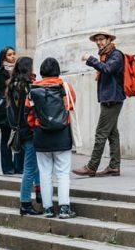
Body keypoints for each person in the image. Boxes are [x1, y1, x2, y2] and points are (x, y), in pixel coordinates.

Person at [26, 57, 77, 219]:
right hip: (62, 134)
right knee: (62, 173)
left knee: (44, 173)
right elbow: (70, 106)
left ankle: (48, 208)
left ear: (42, 71)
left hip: (41, 134)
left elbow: (29, 115)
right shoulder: (65, 87)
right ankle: (64, 208)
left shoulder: (33, 89)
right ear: (57, 70)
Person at [73, 28, 125, 178]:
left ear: (109, 40)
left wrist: (90, 59)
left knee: (101, 133)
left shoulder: (116, 55)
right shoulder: (105, 55)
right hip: (108, 98)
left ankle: (91, 166)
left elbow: (107, 69)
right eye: (97, 40)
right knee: (112, 134)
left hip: (112, 99)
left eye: (102, 39)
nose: (99, 42)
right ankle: (114, 166)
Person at [6, 57, 43, 216]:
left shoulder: (13, 85)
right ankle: (25, 203)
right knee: (29, 168)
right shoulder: (26, 87)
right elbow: (30, 111)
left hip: (20, 131)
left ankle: (39, 192)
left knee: (33, 166)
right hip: (28, 131)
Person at [0, 46, 23, 175]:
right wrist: (0, 101)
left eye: (13, 54)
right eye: (9, 55)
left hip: (19, 109)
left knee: (21, 137)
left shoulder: (19, 70)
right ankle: (8, 168)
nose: (13, 56)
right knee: (6, 139)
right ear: (3, 57)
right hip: (5, 111)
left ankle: (19, 166)